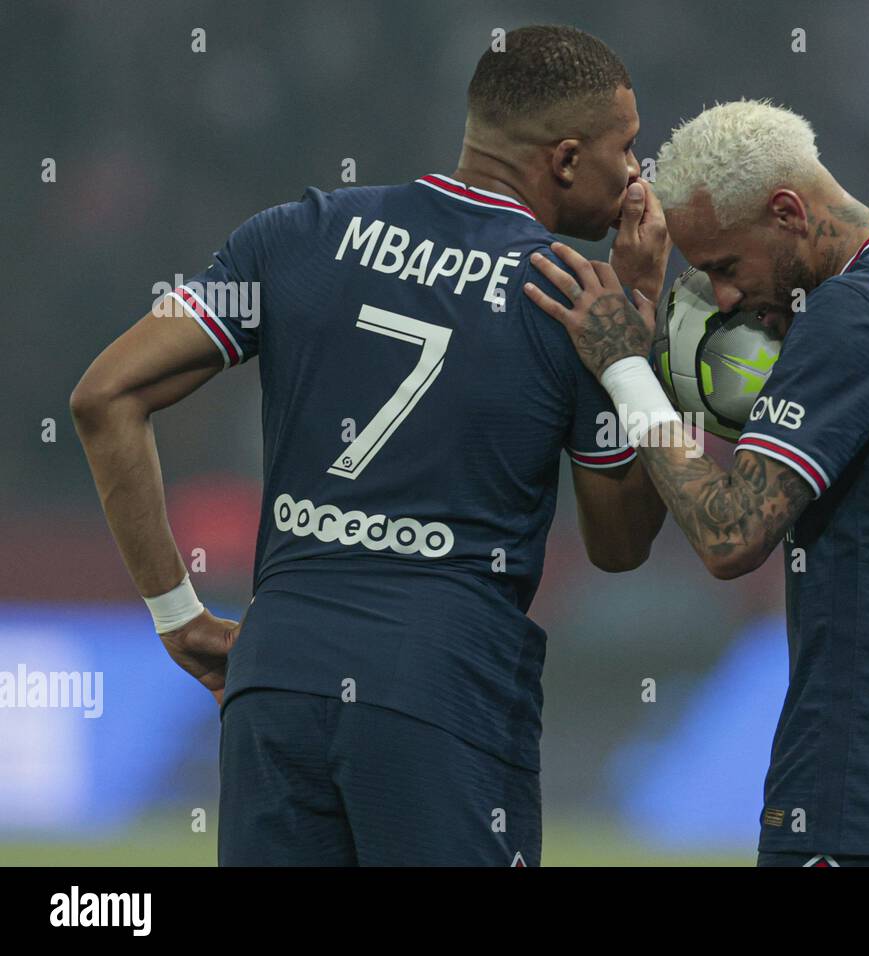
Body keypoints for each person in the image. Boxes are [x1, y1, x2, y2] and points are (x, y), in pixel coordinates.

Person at [70, 24, 668, 866]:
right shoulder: (572, 303)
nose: (638, 175)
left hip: (275, 679)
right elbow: (619, 544)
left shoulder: (295, 234)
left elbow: (104, 395)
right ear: (567, 159)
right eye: (629, 148)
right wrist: (637, 322)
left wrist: (178, 616)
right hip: (443, 689)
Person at [524, 98, 869, 866]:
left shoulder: (853, 318)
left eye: (726, 268)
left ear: (788, 211)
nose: (725, 298)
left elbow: (729, 535)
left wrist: (627, 367)